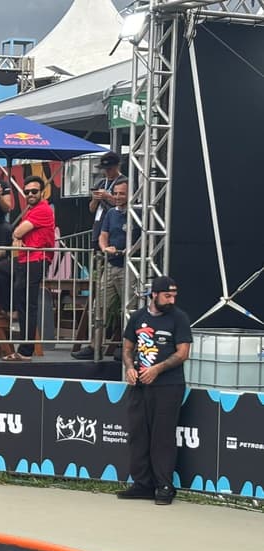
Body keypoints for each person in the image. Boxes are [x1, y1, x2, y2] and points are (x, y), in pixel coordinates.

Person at [119, 275, 192, 505]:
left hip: (168, 385)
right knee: (138, 433)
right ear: (154, 295)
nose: (171, 300)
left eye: (174, 296)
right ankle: (142, 484)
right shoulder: (138, 317)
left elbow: (182, 353)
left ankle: (164, 486)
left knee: (162, 436)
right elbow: (127, 349)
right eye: (167, 296)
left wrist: (157, 369)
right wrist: (130, 368)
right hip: (139, 385)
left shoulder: (179, 318)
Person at [74, 180, 137, 360]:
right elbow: (103, 235)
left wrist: (129, 251)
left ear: (130, 194)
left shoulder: (137, 213)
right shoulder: (110, 213)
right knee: (99, 307)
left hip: (129, 267)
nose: (117, 197)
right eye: (115, 193)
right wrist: (104, 248)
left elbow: (145, 238)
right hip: (110, 265)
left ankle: (128, 349)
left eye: (121, 194)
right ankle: (95, 346)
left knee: (129, 309)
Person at [3, 176, 56, 362]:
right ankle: (23, 347)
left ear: (42, 192)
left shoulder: (42, 209)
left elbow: (17, 232)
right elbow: (18, 234)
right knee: (21, 299)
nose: (30, 194)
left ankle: (26, 350)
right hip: (26, 259)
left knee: (28, 304)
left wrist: (19, 235)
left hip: (36, 259)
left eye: (34, 191)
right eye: (27, 192)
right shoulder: (32, 210)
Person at [89, 151, 126, 251]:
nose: (106, 172)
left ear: (117, 166)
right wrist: (95, 199)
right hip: (98, 226)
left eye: (109, 169)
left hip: (115, 228)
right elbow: (92, 209)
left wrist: (108, 196)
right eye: (104, 169)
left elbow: (124, 204)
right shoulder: (101, 182)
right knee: (97, 257)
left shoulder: (123, 182)